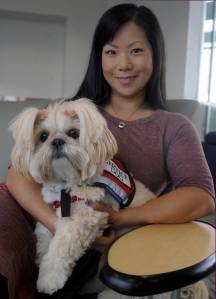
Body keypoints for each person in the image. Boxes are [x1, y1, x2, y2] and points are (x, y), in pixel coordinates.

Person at [4, 3, 215, 299]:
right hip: (65, 250)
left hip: (131, 249)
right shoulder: (70, 113)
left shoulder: (174, 126)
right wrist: (62, 227)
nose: (123, 63)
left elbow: (200, 197)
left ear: (155, 54)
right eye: (111, 51)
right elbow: (17, 175)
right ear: (99, 57)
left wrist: (117, 220)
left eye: (136, 50)